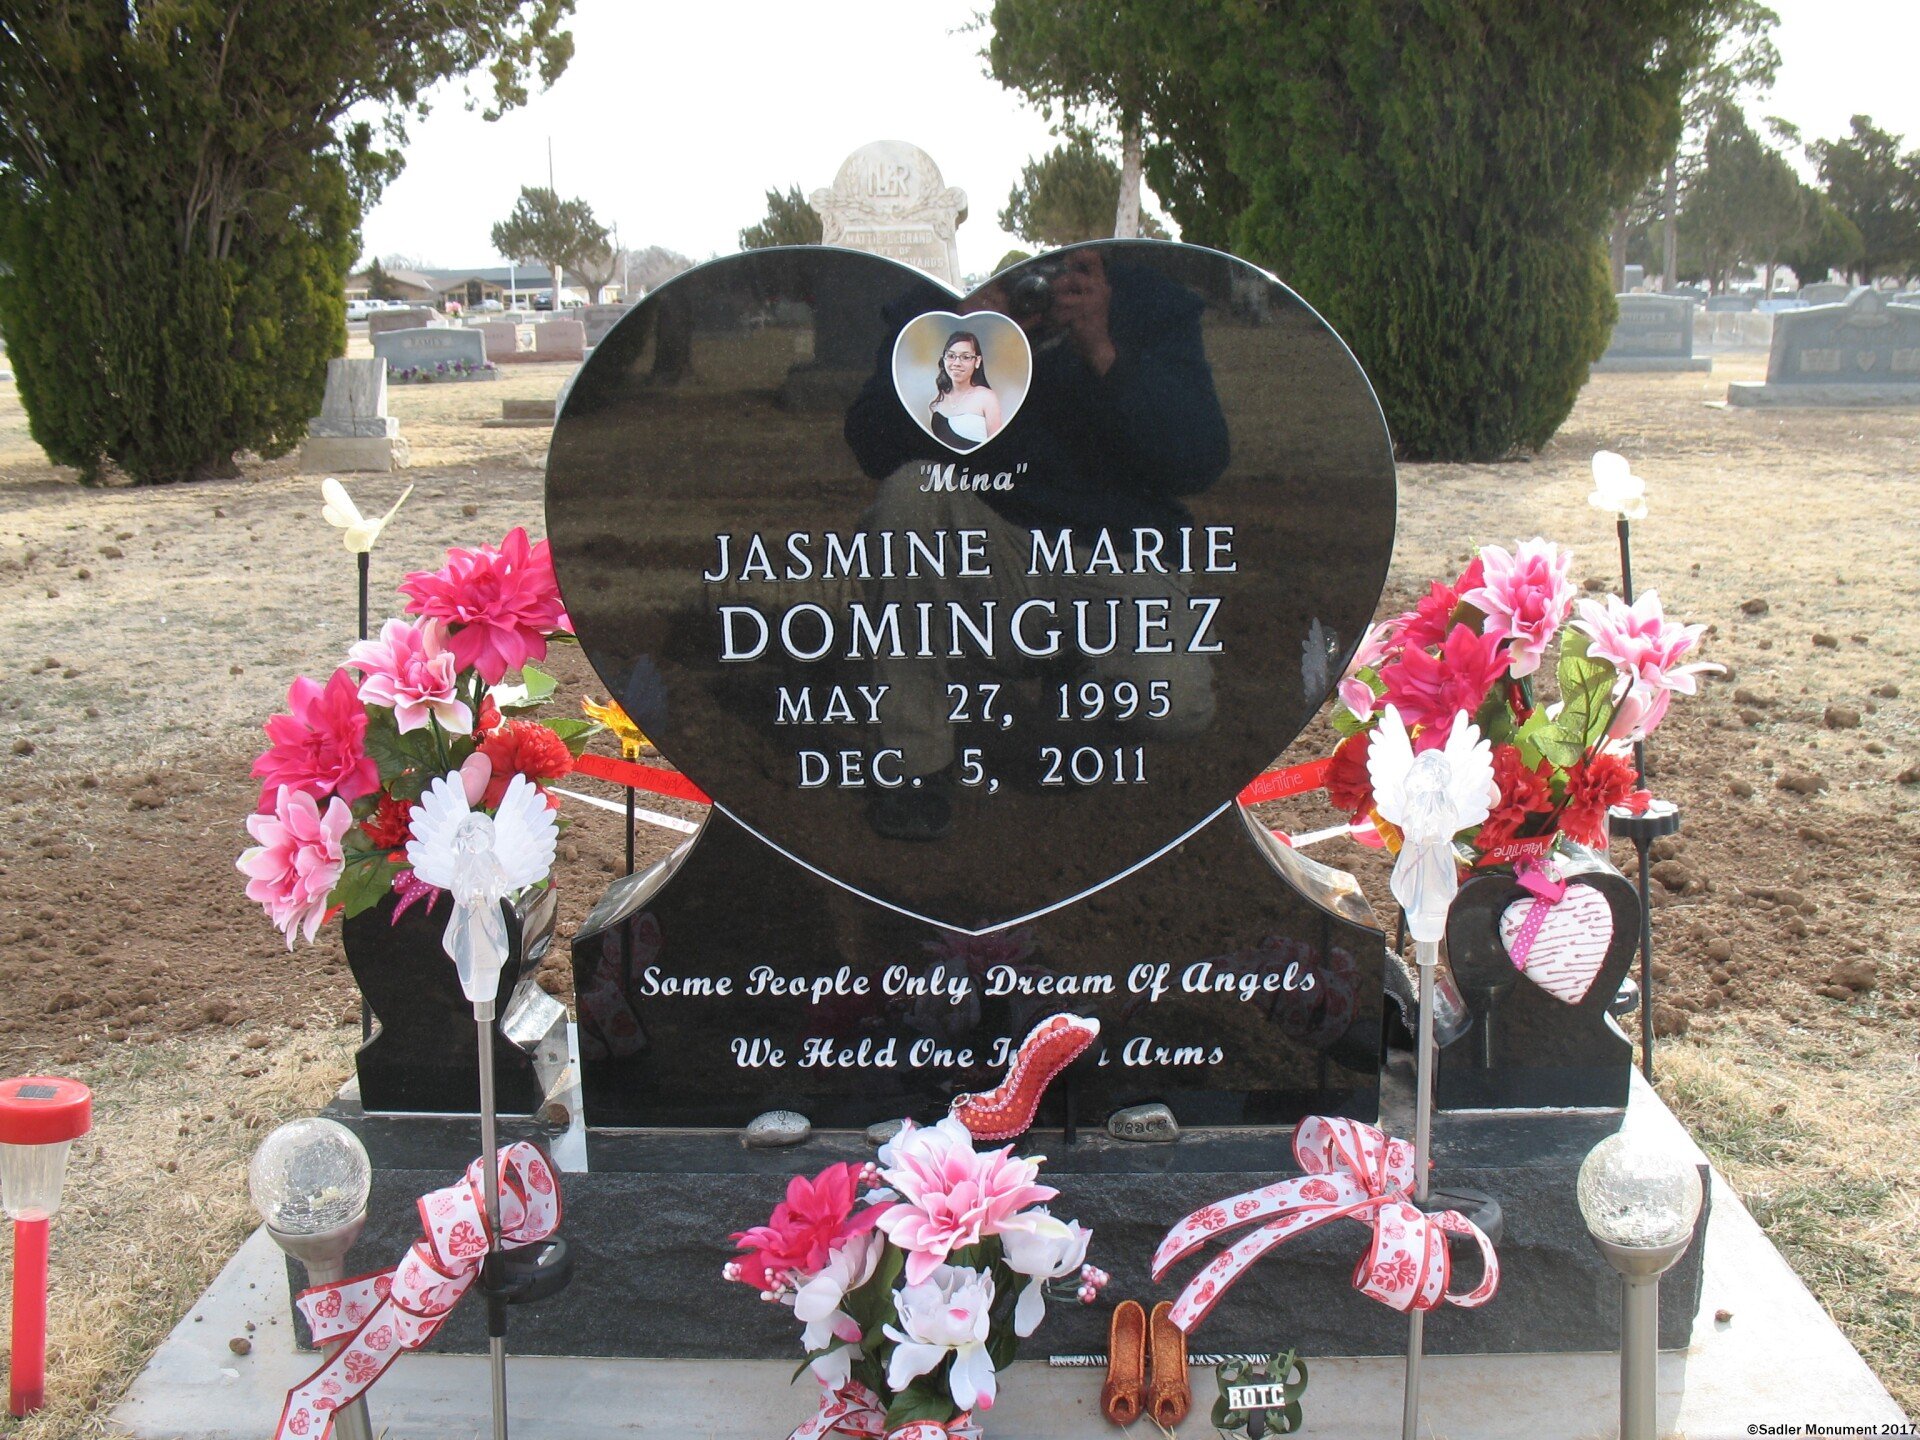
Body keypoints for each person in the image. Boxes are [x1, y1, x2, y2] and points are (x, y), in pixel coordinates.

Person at [927, 330, 1002, 451]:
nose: (957, 363)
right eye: (951, 356)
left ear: (977, 361)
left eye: (965, 357)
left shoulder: (987, 397)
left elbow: (997, 447)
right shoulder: (935, 403)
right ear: (943, 359)